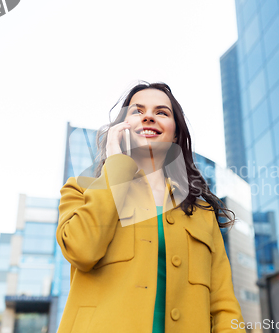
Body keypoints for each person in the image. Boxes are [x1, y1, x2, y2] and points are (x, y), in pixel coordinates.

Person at [56, 81, 247, 333]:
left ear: (176, 133)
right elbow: (82, 250)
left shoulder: (202, 214)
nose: (148, 116)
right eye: (137, 111)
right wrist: (116, 164)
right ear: (121, 128)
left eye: (161, 112)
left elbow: (223, 306)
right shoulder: (81, 190)